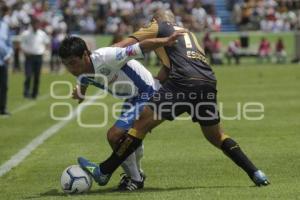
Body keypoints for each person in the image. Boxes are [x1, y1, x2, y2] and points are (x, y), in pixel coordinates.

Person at [77, 9, 270, 188]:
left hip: (182, 82)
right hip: (207, 81)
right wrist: (155, 80)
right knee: (217, 136)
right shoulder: (189, 34)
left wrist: (101, 59)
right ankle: (256, 173)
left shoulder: (158, 26)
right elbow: (171, 67)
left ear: (156, 20)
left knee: (140, 124)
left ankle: (104, 171)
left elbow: (122, 46)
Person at [58, 36, 169, 190]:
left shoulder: (107, 57)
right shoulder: (82, 72)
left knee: (114, 135)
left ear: (85, 54)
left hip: (148, 92)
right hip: (132, 97)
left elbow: (140, 46)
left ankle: (135, 179)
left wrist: (168, 39)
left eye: (73, 63)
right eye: (66, 65)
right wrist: (80, 94)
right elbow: (83, 83)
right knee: (127, 139)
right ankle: (136, 176)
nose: (71, 69)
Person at [20, 18, 49, 99]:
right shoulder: (26, 34)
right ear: (32, 25)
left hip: (38, 57)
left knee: (37, 76)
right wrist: (25, 52)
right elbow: (21, 44)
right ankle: (26, 92)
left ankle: (34, 93)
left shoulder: (42, 34)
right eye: (35, 24)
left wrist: (45, 51)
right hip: (29, 57)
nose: (36, 26)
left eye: (38, 24)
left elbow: (47, 42)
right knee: (28, 75)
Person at [0, 4, 13, 116]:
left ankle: (2, 109)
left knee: (4, 86)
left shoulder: (5, 25)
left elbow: (8, 43)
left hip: (3, 61)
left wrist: (9, 54)